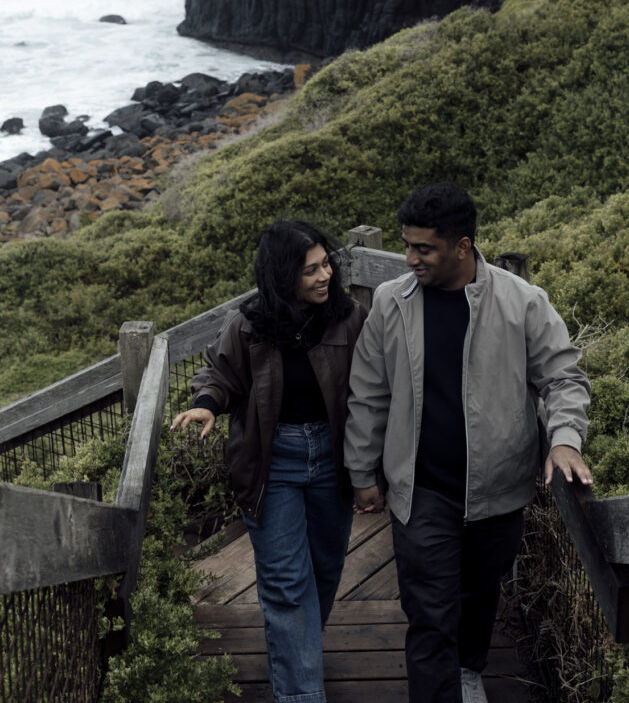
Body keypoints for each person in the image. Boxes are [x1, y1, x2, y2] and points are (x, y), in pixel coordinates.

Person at [343, 183, 592, 703]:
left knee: (480, 594)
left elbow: (564, 378)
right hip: (421, 490)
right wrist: (362, 473)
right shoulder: (391, 302)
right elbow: (368, 393)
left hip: (499, 489)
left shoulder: (522, 301)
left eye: (423, 248)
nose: (410, 258)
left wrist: (565, 440)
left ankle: (468, 670)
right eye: (407, 245)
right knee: (429, 613)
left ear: (462, 245)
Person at [172, 219, 366, 703]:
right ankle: (302, 693)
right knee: (285, 582)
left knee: (323, 568)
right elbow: (220, 373)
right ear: (283, 277)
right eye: (309, 271)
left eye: (327, 265)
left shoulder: (350, 316)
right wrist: (207, 403)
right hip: (270, 460)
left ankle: (302, 653)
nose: (324, 277)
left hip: (332, 457)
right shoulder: (249, 324)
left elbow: (377, 386)